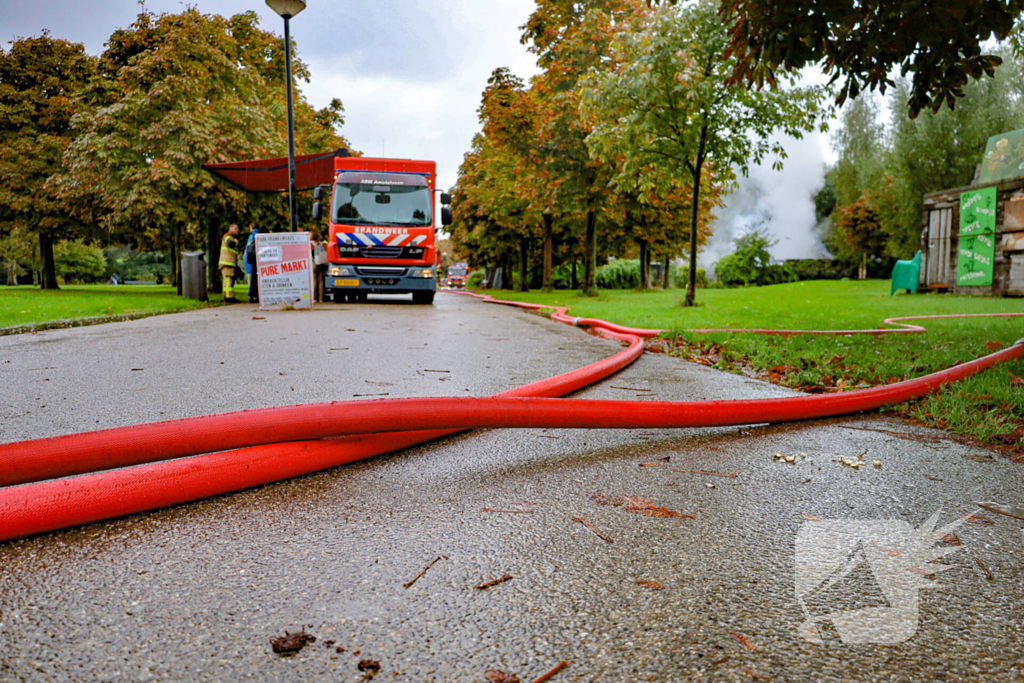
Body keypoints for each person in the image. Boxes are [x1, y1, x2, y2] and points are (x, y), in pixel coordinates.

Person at [218, 223, 241, 303]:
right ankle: (229, 298)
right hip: (227, 263)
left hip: (229, 263)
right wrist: (236, 242)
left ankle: (227, 296)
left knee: (228, 280)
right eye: (235, 228)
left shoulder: (229, 237)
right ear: (230, 228)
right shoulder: (228, 236)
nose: (237, 230)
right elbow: (230, 243)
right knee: (228, 280)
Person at [243, 223, 261, 304]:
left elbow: (248, 248)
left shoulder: (252, 235)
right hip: (259, 258)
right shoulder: (260, 234)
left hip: (253, 259)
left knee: (253, 278)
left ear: (251, 228)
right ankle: (257, 295)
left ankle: (252, 295)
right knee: (257, 278)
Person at [310, 230, 328, 303]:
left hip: (313, 263)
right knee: (320, 281)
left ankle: (314, 298)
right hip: (321, 263)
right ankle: (320, 298)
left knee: (314, 281)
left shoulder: (310, 244)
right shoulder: (322, 244)